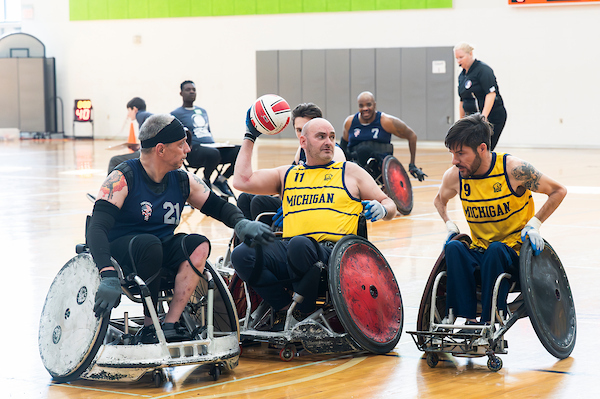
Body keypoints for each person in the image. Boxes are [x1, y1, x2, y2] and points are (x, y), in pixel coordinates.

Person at [87, 114, 274, 344]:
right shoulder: (122, 178)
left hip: (157, 248)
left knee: (198, 244)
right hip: (123, 252)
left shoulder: (183, 180)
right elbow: (96, 228)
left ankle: (169, 324)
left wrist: (241, 222)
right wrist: (107, 272)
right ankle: (149, 325)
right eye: (181, 144)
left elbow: (217, 205)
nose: (187, 149)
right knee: (150, 244)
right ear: (160, 149)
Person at [231, 114, 396, 329]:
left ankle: (305, 310)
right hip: (292, 249)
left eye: (332, 137)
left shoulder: (349, 172)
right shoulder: (287, 174)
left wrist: (383, 209)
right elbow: (241, 181)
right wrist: (250, 136)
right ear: (303, 141)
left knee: (299, 244)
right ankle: (284, 311)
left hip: (334, 255)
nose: (329, 142)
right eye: (321, 137)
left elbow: (390, 203)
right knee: (242, 254)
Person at [433, 113, 566, 328]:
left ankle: (490, 318)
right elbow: (439, 201)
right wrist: (449, 223)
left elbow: (558, 191)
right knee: (455, 247)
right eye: (452, 154)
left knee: (496, 250)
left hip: (513, 255)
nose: (454, 161)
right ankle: (466, 318)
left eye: (460, 153)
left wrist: (535, 224)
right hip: (481, 251)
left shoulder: (513, 170)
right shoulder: (455, 176)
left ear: (482, 149)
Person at [237, 102, 346, 222]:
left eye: (305, 129)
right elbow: (290, 182)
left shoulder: (335, 152)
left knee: (259, 201)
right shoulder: (301, 150)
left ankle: (264, 240)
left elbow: (334, 192)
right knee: (245, 197)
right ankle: (246, 238)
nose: (301, 135)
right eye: (299, 130)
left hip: (316, 206)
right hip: (298, 199)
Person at [171, 80, 240, 197]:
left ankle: (221, 180)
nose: (192, 92)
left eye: (194, 89)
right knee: (213, 153)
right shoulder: (175, 114)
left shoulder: (202, 111)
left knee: (240, 151)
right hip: (195, 151)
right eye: (188, 90)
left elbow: (208, 131)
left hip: (212, 148)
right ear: (181, 93)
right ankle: (205, 181)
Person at [341, 91, 427, 181]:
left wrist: (412, 164)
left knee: (365, 150)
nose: (365, 108)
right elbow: (343, 147)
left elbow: (412, 136)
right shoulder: (350, 122)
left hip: (379, 167)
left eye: (368, 105)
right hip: (356, 165)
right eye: (361, 106)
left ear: (375, 105)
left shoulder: (386, 121)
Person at [454, 42, 507, 151]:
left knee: (483, 150)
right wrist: (461, 122)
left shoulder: (483, 70)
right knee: (469, 149)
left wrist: (483, 118)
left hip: (492, 117)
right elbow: (462, 101)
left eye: (461, 57)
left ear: (470, 54)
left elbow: (491, 94)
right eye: (457, 58)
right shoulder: (462, 76)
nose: (459, 61)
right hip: (472, 120)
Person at [106, 97, 153, 175]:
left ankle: (111, 186)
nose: (128, 114)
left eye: (129, 110)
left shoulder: (140, 115)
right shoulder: (146, 116)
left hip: (150, 155)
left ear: (134, 109)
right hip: (153, 152)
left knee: (114, 160)